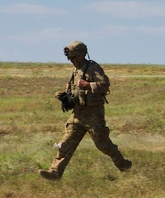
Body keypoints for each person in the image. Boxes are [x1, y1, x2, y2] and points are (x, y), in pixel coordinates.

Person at [39, 41, 132, 180]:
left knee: (103, 144)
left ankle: (123, 164)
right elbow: (73, 91)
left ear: (82, 55)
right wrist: (65, 98)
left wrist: (87, 85)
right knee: (65, 144)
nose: (72, 61)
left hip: (93, 115)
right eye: (70, 59)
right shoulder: (75, 71)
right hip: (77, 115)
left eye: (74, 58)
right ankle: (55, 172)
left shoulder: (93, 68)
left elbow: (105, 85)